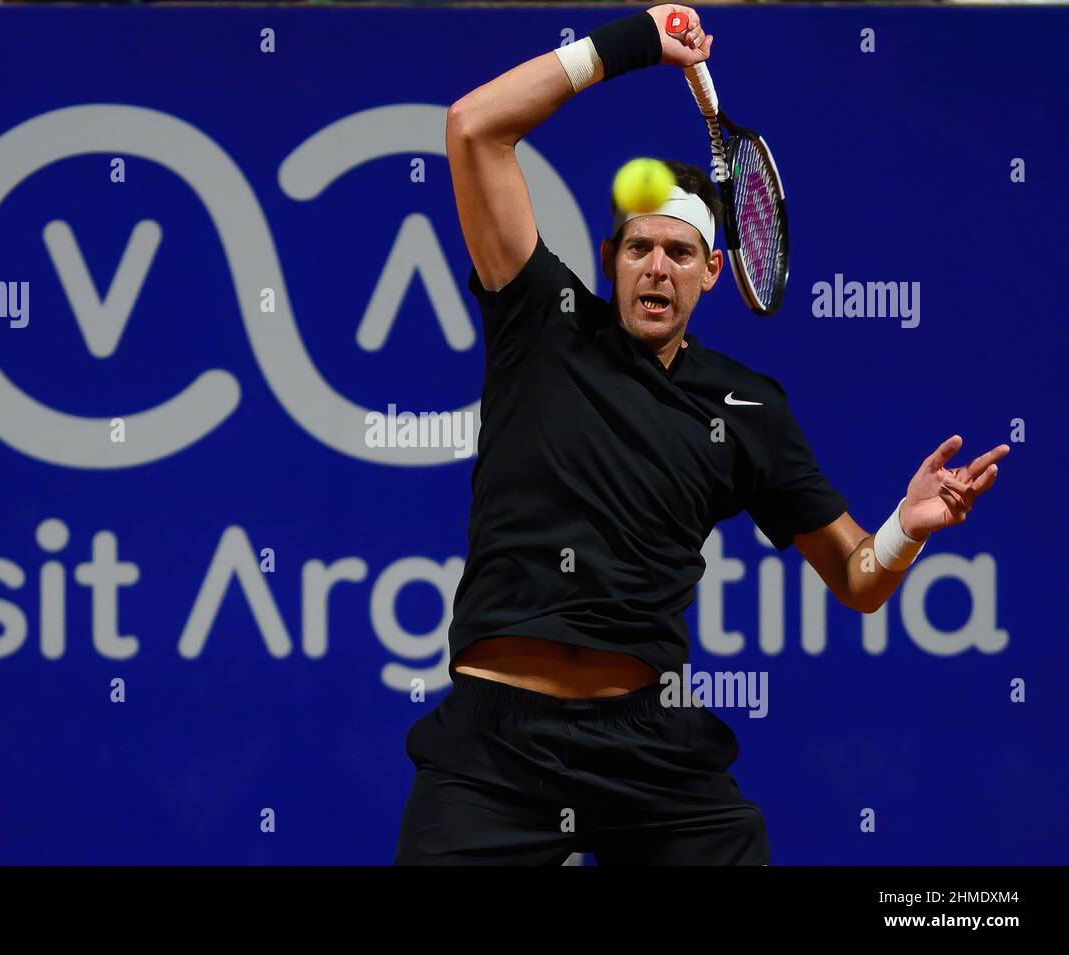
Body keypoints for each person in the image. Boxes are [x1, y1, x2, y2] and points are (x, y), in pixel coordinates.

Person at [394, 3, 1009, 865]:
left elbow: (861, 580)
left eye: (680, 253)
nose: (655, 267)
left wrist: (908, 526)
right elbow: (472, 128)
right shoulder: (543, 323)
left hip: (645, 745)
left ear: (714, 270)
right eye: (638, 247)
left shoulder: (750, 407)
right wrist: (635, 43)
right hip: (493, 747)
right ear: (609, 259)